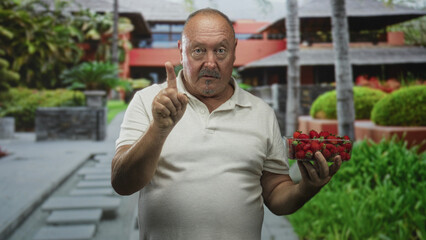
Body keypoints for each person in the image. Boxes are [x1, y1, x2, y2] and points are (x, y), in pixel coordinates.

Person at [111, 8, 342, 240]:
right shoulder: (148, 101)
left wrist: (307, 188)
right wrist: (158, 129)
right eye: (198, 51)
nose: (210, 63)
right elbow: (122, 182)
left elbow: (275, 192)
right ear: (182, 51)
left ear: (233, 52)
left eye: (220, 50)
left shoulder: (261, 113)